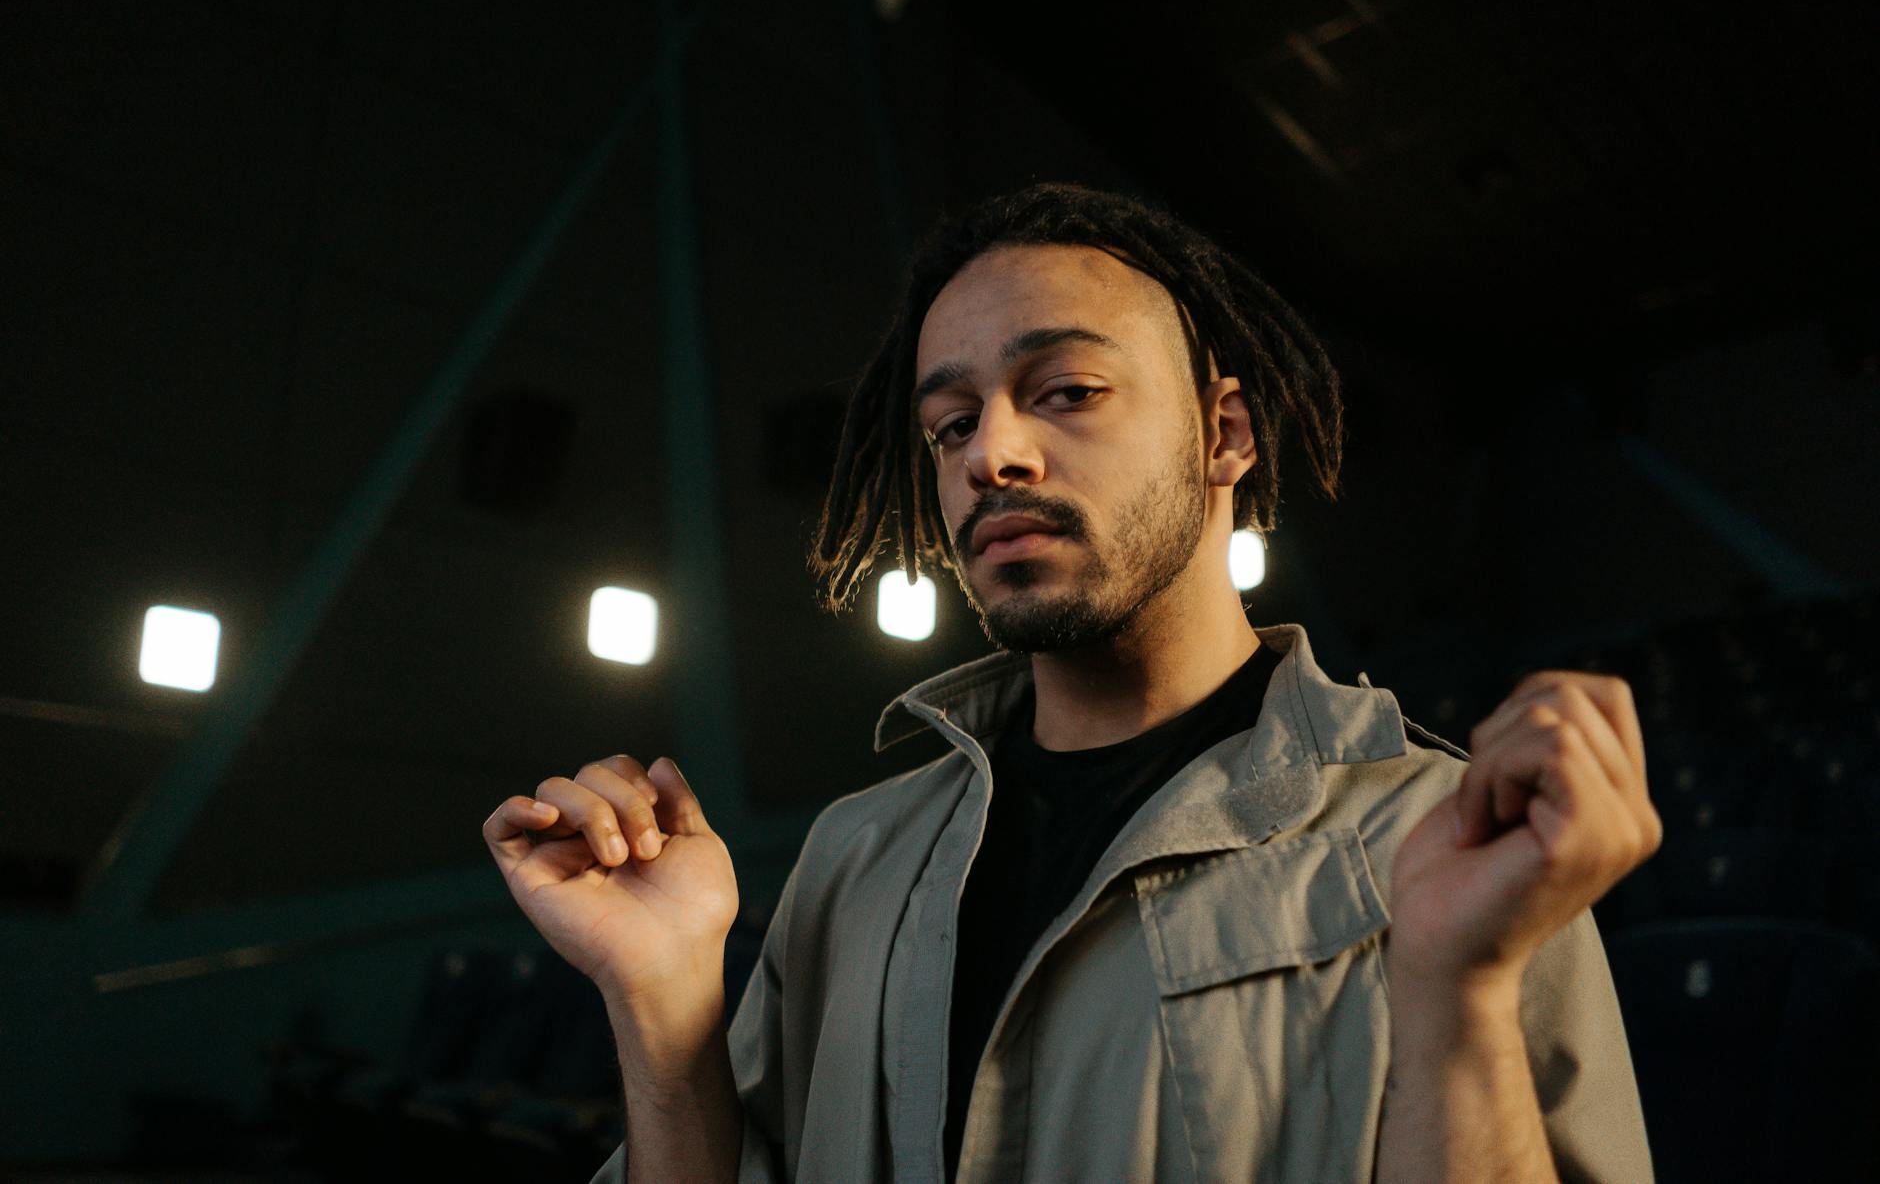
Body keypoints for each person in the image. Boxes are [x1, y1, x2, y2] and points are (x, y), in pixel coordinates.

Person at [483, 183, 1661, 1183]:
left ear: (1226, 432)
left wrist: (1458, 997)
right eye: (948, 424)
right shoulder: (849, 861)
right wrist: (663, 1000)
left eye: (1063, 390)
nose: (989, 452)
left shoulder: (1444, 844)